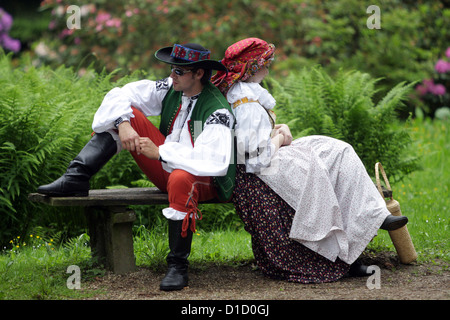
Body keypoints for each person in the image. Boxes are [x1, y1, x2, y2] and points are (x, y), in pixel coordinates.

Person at [37, 43, 236, 291]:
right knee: (124, 113)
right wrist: (123, 123)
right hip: (167, 166)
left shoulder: (217, 109)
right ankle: (76, 176)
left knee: (180, 179)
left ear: (198, 74)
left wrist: (161, 151)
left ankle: (177, 266)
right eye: (172, 69)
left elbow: (212, 161)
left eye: (179, 71)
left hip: (203, 180)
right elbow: (118, 93)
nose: (171, 75)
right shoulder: (171, 88)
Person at [212, 38, 408, 283]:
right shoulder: (246, 102)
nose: (269, 68)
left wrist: (275, 132)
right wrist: (280, 138)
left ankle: (374, 214)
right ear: (252, 67)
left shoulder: (245, 95)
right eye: (266, 63)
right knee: (317, 169)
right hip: (258, 171)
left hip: (268, 157)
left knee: (339, 150)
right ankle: (347, 255)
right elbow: (256, 159)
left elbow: (249, 142)